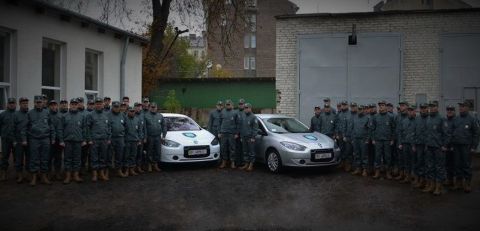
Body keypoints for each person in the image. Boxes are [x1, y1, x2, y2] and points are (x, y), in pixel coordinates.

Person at [22, 95, 56, 186]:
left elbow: (51, 126)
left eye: (40, 102)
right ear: (34, 103)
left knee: (45, 158)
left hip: (45, 139)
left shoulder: (47, 112)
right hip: (34, 139)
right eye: (37, 102)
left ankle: (44, 177)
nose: (39, 104)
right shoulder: (30, 113)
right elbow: (24, 127)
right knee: (34, 158)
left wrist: (53, 138)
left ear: (43, 103)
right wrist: (24, 139)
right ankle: (34, 177)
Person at [451, 101, 480, 193]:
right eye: (460, 107)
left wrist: (474, 146)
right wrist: (452, 145)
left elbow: (476, 133)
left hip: (466, 146)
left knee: (466, 165)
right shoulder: (456, 119)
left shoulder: (472, 119)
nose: (461, 108)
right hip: (456, 146)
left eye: (463, 106)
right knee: (457, 164)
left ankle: (467, 184)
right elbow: (452, 133)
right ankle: (458, 183)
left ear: (467, 108)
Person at [422, 101, 450, 196]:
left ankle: (438, 187)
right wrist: (426, 144)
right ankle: (431, 185)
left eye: (433, 106)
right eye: (430, 106)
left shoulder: (442, 119)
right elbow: (426, 133)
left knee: (439, 167)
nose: (431, 108)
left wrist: (444, 145)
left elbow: (446, 134)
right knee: (430, 166)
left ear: (437, 107)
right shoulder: (428, 118)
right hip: (429, 146)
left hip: (438, 148)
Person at [58, 98, 87, 184]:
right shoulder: (64, 116)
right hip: (67, 141)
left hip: (78, 141)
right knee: (67, 159)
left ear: (78, 105)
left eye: (75, 104)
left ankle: (76, 175)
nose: (74, 106)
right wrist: (61, 140)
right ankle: (68, 176)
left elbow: (84, 129)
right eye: (72, 104)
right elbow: (60, 129)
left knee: (77, 159)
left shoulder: (82, 116)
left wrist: (84, 139)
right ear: (70, 105)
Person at [85, 97, 112, 182]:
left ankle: (101, 174)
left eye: (100, 103)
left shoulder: (106, 114)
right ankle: (95, 175)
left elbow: (109, 127)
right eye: (97, 103)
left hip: (104, 139)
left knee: (103, 157)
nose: (99, 105)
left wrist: (109, 138)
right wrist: (89, 139)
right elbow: (87, 128)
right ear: (95, 105)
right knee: (94, 157)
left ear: (103, 104)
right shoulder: (90, 115)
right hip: (94, 140)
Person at [370, 100, 395, 180]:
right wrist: (373, 139)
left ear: (385, 106)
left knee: (387, 157)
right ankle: (377, 171)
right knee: (377, 156)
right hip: (378, 140)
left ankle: (387, 172)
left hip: (387, 140)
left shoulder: (390, 117)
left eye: (383, 105)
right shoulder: (375, 117)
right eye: (380, 105)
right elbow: (372, 129)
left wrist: (392, 139)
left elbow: (393, 129)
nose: (381, 106)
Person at [397, 104, 417, 184]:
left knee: (414, 161)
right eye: (409, 110)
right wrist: (400, 143)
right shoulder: (404, 121)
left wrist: (414, 145)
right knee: (406, 161)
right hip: (405, 143)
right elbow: (400, 133)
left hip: (413, 145)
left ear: (414, 111)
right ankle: (407, 176)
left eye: (412, 110)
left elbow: (418, 133)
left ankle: (415, 177)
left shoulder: (417, 120)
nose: (410, 112)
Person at [144, 102, 166, 172]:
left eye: (154, 107)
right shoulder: (146, 116)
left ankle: (155, 164)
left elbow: (164, 126)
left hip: (158, 137)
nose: (153, 108)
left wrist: (164, 136)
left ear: (156, 108)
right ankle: (149, 165)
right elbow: (144, 128)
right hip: (150, 136)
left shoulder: (160, 116)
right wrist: (145, 137)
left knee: (157, 151)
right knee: (149, 151)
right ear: (150, 108)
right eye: (152, 107)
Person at [218, 99, 239, 169]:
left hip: (232, 133)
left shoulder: (235, 113)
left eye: (229, 104)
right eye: (226, 104)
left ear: (232, 105)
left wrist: (236, 133)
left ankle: (232, 162)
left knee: (232, 148)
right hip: (223, 133)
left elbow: (237, 124)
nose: (228, 106)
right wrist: (219, 132)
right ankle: (224, 161)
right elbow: (219, 123)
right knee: (223, 148)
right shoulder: (222, 112)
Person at [0, 98, 17, 181]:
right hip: (6, 139)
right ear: (7, 104)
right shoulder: (2, 114)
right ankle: (3, 173)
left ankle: (18, 173)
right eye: (10, 103)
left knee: (17, 157)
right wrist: (2, 135)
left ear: (15, 104)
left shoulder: (18, 114)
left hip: (15, 140)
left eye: (13, 103)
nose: (11, 104)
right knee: (4, 157)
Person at [108, 101, 127, 177]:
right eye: (115, 107)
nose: (116, 108)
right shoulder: (108, 115)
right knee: (109, 155)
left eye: (117, 107)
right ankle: (107, 171)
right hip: (111, 138)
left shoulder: (123, 115)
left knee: (119, 155)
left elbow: (126, 126)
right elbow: (107, 127)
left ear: (120, 107)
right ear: (112, 107)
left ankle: (119, 170)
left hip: (120, 138)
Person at [238, 103, 259, 171]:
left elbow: (255, 128)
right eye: (245, 108)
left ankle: (251, 165)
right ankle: (246, 164)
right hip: (244, 137)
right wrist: (241, 136)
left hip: (250, 138)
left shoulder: (253, 117)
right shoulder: (243, 116)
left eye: (247, 108)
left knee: (251, 152)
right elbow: (241, 127)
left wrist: (253, 137)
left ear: (250, 108)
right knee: (245, 151)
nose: (246, 109)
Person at [13, 97, 29, 183]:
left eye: (26, 103)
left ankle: (28, 175)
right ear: (20, 104)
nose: (25, 104)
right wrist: (14, 140)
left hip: (29, 140)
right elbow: (13, 128)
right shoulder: (16, 114)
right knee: (19, 159)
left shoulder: (30, 113)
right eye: (23, 103)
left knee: (29, 159)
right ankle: (19, 176)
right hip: (19, 140)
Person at [350, 105, 370, 177]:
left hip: (363, 140)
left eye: (361, 109)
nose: (359, 111)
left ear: (363, 110)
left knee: (364, 155)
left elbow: (369, 130)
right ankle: (358, 168)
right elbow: (352, 129)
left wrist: (367, 139)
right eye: (359, 109)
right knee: (356, 154)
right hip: (355, 139)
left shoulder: (367, 118)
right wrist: (352, 139)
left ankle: (364, 169)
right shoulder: (355, 118)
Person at [413, 103, 429, 188]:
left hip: (427, 145)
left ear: (427, 109)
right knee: (419, 162)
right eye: (421, 108)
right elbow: (414, 132)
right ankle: (420, 179)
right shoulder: (417, 119)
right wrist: (414, 144)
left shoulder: (429, 118)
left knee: (427, 163)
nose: (423, 110)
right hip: (418, 144)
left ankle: (427, 181)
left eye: (424, 108)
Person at [125, 106, 143, 177]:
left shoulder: (137, 119)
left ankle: (131, 169)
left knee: (133, 155)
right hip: (127, 140)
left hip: (135, 141)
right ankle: (126, 170)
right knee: (126, 156)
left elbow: (140, 130)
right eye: (130, 111)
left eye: (133, 111)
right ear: (127, 112)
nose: (132, 113)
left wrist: (139, 139)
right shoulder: (125, 119)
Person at [48, 100, 63, 181]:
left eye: (54, 105)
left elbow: (62, 128)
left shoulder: (60, 116)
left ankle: (57, 173)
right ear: (49, 106)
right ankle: (49, 173)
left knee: (58, 157)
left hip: (58, 140)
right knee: (49, 157)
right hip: (49, 139)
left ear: (57, 106)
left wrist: (61, 139)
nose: (53, 107)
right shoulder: (47, 115)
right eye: (51, 105)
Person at [444, 105, 456, 187]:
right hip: (446, 147)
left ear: (454, 111)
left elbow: (456, 134)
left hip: (454, 147)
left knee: (456, 164)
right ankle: (449, 179)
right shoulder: (445, 121)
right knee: (447, 164)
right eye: (448, 109)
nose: (449, 111)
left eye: (451, 110)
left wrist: (452, 145)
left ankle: (457, 182)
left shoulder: (456, 120)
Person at [134, 102, 146, 173]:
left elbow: (144, 128)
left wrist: (145, 137)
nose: (138, 108)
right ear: (134, 107)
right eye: (137, 106)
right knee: (133, 154)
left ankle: (138, 167)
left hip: (141, 138)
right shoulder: (131, 114)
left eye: (139, 106)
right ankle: (132, 168)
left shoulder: (142, 115)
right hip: (133, 139)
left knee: (140, 153)